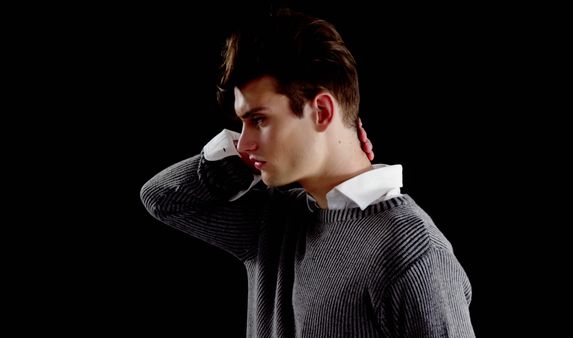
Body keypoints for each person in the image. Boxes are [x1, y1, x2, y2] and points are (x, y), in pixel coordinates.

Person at [140, 9, 474, 337]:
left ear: (322, 111)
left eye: (259, 120)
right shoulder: (274, 223)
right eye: (242, 125)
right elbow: (163, 199)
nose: (244, 143)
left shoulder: (413, 253)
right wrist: (235, 165)